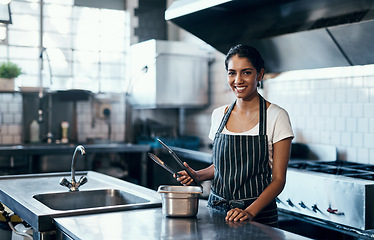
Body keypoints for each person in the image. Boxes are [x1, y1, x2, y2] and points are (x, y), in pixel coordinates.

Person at [176, 44, 294, 227]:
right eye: (232, 73)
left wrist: (249, 211)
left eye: (246, 72)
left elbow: (279, 179)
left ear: (260, 74)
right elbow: (223, 167)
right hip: (218, 212)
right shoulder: (218, 115)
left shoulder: (277, 116)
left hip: (258, 218)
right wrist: (197, 175)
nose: (238, 80)